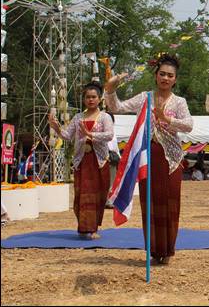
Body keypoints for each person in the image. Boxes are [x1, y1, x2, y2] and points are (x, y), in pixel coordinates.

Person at [105, 53, 193, 265]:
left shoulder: (179, 102)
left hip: (170, 158)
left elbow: (189, 124)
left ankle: (168, 249)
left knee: (170, 202)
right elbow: (117, 107)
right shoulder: (146, 97)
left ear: (175, 79)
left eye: (170, 75)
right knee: (150, 202)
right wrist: (110, 89)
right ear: (156, 75)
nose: (165, 78)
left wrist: (167, 119)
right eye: (162, 74)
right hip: (146, 157)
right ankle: (153, 250)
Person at [49, 81, 114, 240]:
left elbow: (109, 135)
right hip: (82, 162)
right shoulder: (78, 118)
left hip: (99, 161)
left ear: (100, 99)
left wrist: (91, 135)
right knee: (82, 195)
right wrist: (56, 128)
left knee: (98, 195)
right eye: (87, 97)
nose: (90, 99)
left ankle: (93, 228)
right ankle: (83, 227)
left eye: (93, 97)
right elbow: (66, 136)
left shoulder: (105, 117)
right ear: (84, 99)